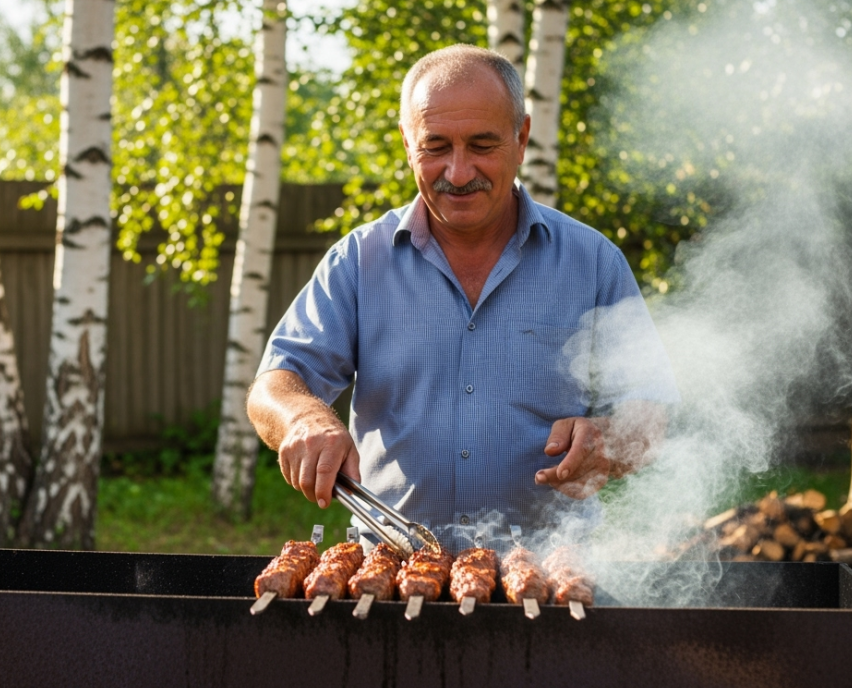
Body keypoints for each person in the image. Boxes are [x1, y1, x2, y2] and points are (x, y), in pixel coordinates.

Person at [246, 45, 678, 550]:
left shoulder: (593, 261)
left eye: (481, 144)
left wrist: (611, 438)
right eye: (435, 146)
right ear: (408, 143)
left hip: (554, 575)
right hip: (394, 574)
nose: (457, 172)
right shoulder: (359, 261)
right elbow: (273, 384)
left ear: (521, 138)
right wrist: (303, 417)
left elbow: (650, 409)